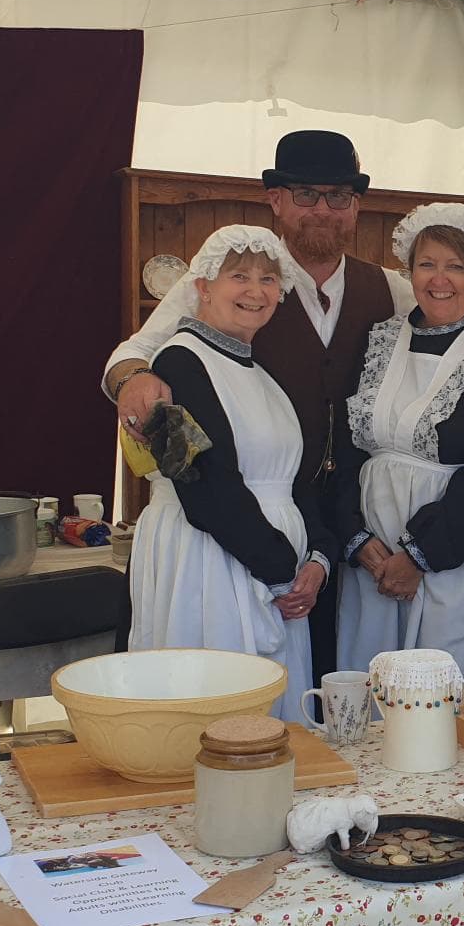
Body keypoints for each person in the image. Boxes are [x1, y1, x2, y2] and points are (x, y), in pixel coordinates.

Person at [104, 131, 410, 683]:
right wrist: (134, 379)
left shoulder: (391, 289)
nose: (323, 209)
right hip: (229, 536)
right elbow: (136, 354)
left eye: (339, 196)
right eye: (306, 194)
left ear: (357, 207)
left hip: (337, 521)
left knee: (326, 676)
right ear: (276, 201)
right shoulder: (217, 279)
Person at [120, 225, 339, 708]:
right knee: (218, 709)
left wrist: (318, 560)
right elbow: (204, 486)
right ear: (202, 287)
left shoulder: (259, 371)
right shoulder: (178, 363)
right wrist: (283, 571)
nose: (256, 291)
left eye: (267, 280)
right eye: (238, 275)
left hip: (274, 570)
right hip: (212, 561)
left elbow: (293, 478)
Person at [333, 204, 464, 681]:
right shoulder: (380, 340)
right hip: (372, 553)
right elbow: (347, 450)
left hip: (456, 549)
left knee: (445, 687)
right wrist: (356, 537)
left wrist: (421, 555)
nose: (439, 280)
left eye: (456, 267)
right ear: (410, 271)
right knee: (373, 678)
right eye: (427, 264)